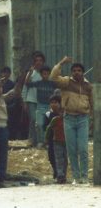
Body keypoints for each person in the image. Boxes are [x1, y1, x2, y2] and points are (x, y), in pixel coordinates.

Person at [50, 55, 93, 184]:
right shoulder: (66, 82)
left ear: (83, 72)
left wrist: (92, 119)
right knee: (72, 149)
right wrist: (61, 62)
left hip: (83, 119)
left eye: (79, 70)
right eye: (74, 70)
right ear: (71, 72)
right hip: (68, 118)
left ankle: (84, 176)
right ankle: (76, 176)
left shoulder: (88, 86)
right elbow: (53, 77)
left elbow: (92, 103)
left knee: (83, 149)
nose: (76, 72)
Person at [25, 65, 56, 147]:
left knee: (48, 125)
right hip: (40, 106)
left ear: (49, 74)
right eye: (43, 74)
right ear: (41, 75)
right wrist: (29, 73)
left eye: (47, 74)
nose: (45, 75)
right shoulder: (38, 83)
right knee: (39, 124)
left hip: (49, 107)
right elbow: (27, 83)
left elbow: (62, 86)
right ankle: (40, 141)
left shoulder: (52, 84)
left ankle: (47, 142)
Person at [21, 51, 46, 147]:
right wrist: (24, 101)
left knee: (41, 121)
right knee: (33, 119)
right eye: (36, 60)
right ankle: (32, 139)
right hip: (31, 100)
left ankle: (41, 140)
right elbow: (25, 87)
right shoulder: (30, 73)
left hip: (42, 101)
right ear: (34, 62)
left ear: (43, 62)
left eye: (40, 60)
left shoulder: (45, 73)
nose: (38, 62)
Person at [43, 95, 66, 184]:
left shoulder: (63, 114)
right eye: (52, 102)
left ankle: (61, 174)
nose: (53, 104)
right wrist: (46, 139)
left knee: (62, 157)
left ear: (60, 104)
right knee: (52, 157)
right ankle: (57, 172)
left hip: (62, 139)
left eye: (55, 102)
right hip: (52, 139)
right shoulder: (48, 114)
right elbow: (45, 127)